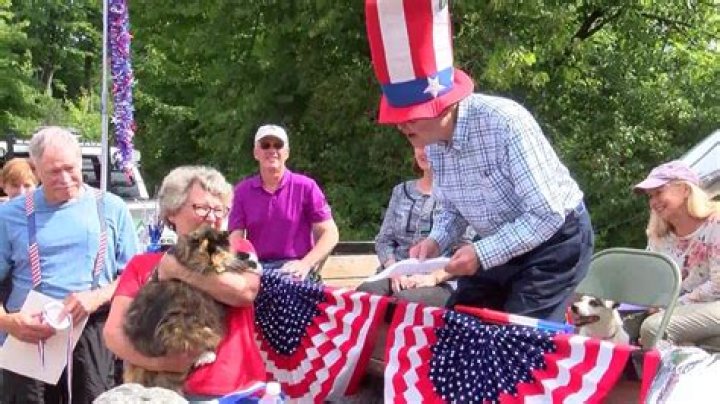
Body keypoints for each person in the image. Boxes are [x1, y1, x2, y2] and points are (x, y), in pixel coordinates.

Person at [364, 0, 594, 322]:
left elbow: (546, 214)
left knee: (517, 336)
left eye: (411, 116)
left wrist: (482, 252)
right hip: (499, 240)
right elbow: (451, 209)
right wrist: (435, 241)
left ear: (444, 107)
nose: (401, 126)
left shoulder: (505, 123)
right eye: (397, 117)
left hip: (555, 242)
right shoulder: (433, 143)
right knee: (460, 323)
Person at [0, 126, 139, 403]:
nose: (64, 179)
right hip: (29, 335)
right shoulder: (9, 215)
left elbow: (135, 277)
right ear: (36, 170)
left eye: (70, 169)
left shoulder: (111, 208)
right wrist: (7, 322)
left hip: (92, 332)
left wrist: (96, 297)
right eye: (54, 172)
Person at [103, 166, 266, 400]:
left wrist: (179, 271)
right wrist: (163, 364)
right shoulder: (141, 265)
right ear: (172, 211)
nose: (212, 216)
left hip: (236, 390)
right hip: (165, 393)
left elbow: (244, 292)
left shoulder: (239, 249)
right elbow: (113, 334)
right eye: (202, 207)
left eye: (219, 209)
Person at [228, 124, 339, 282]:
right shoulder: (242, 191)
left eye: (278, 145)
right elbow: (236, 240)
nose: (272, 150)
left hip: (295, 268)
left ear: (286, 152)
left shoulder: (306, 187)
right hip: (258, 269)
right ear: (256, 153)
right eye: (265, 145)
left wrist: (306, 264)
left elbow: (330, 233)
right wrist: (241, 268)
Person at [357, 146, 460, 307]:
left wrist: (433, 277)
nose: (423, 151)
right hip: (396, 271)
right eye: (419, 146)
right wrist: (394, 272)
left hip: (441, 280)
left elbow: (466, 249)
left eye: (431, 145)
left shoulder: (460, 195)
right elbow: (384, 241)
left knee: (404, 303)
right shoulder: (400, 191)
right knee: (364, 295)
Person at [633, 161, 720, 349]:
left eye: (659, 192)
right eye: (650, 196)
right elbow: (653, 280)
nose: (653, 202)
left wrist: (670, 306)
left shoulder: (716, 223)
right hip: (683, 309)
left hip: (714, 304)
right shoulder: (658, 237)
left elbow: (717, 286)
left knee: (654, 328)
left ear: (685, 190)